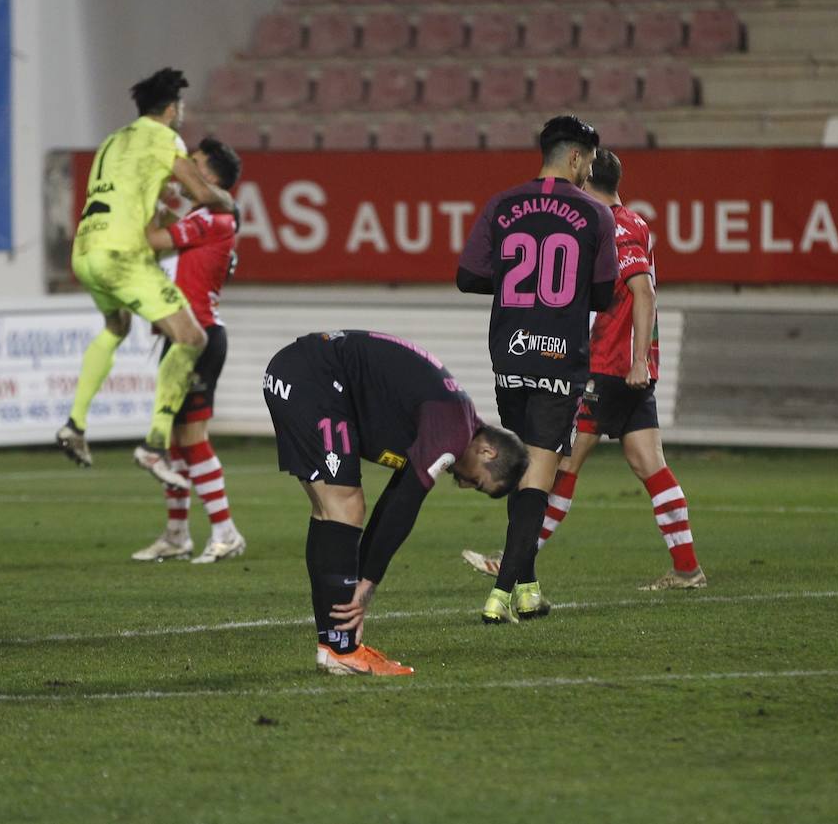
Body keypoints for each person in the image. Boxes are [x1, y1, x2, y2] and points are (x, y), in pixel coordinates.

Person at [463, 148, 707, 590]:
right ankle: (687, 568)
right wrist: (642, 361)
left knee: (560, 463)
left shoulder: (607, 224)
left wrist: (632, 360)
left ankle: (514, 561)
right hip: (632, 366)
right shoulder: (636, 221)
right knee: (648, 461)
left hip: (607, 364)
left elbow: (643, 291)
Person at [263, 330, 528, 675]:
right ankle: (342, 650)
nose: (463, 485)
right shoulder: (451, 430)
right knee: (345, 506)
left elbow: (394, 497)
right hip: (313, 378)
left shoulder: (453, 418)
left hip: (303, 373)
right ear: (487, 451)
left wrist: (362, 577)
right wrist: (367, 583)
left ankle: (334, 647)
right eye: (476, 481)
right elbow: (405, 503)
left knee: (331, 510)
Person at [456, 115, 617, 625]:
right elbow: (603, 293)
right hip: (558, 354)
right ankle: (501, 593)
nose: (591, 170)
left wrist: (513, 287)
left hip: (510, 350)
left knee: (523, 462)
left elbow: (467, 276)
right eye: (590, 160)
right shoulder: (594, 214)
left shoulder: (503, 204)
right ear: (575, 157)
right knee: (539, 473)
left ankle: (527, 589)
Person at [56, 68, 236, 489]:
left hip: (85, 250)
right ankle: (155, 444)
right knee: (192, 339)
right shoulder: (163, 138)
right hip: (122, 254)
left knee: (115, 327)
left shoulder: (113, 141)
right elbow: (204, 192)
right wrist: (225, 200)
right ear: (172, 109)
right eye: (181, 109)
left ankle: (75, 425)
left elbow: (139, 198)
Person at [131, 138, 248, 564]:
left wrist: (138, 199)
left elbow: (151, 239)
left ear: (211, 177)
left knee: (193, 438)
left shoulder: (215, 215)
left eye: (193, 164)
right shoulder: (205, 216)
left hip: (200, 337)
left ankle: (226, 532)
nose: (185, 168)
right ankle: (177, 535)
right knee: (176, 443)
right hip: (182, 337)